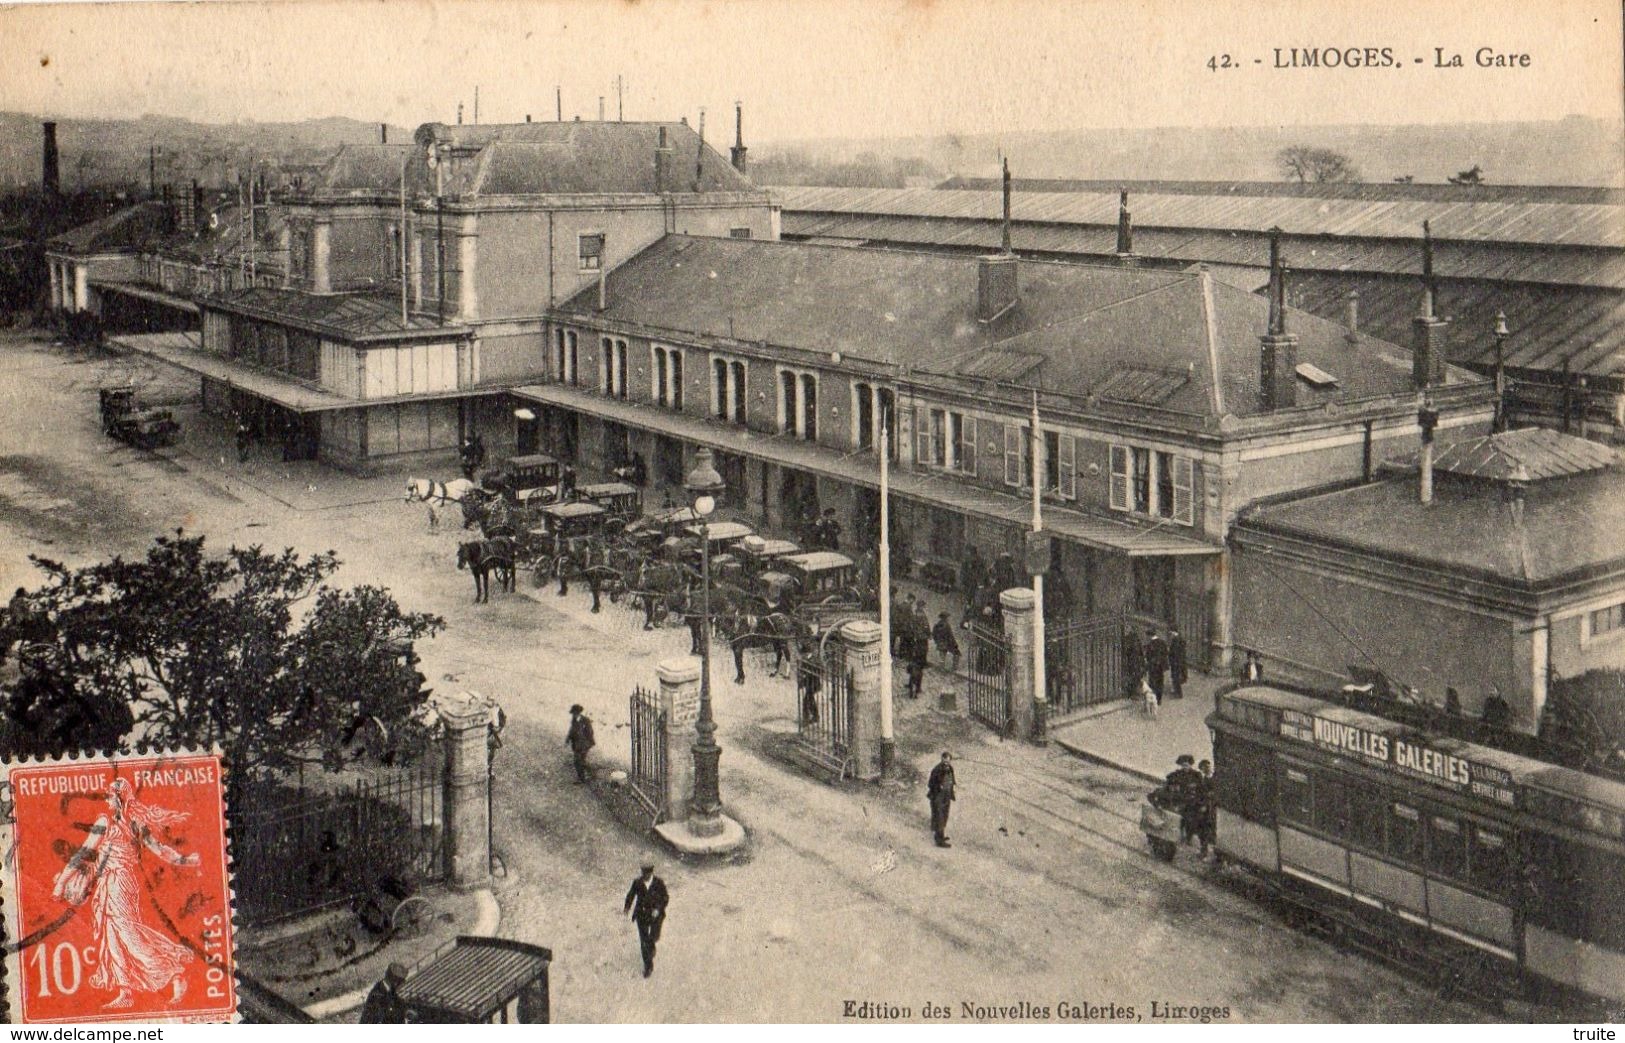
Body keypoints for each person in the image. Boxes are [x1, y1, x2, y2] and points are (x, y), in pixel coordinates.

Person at [50, 779, 201, 1009]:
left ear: (119, 799)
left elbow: (83, 853)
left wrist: (60, 884)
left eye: (110, 797)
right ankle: (125, 991)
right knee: (113, 937)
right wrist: (183, 860)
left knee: (129, 935)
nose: (108, 801)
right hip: (111, 883)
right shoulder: (129, 822)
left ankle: (173, 973)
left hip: (119, 883)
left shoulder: (116, 822)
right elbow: (159, 850)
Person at [624, 863, 669, 978]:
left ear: (651, 872)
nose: (645, 876)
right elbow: (631, 895)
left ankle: (652, 945)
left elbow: (665, 898)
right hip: (642, 914)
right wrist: (627, 907)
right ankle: (648, 966)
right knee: (644, 941)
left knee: (653, 937)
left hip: (655, 916)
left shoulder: (658, 883)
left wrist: (658, 909)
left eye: (647, 873)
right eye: (643, 873)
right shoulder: (637, 882)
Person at [1165, 754, 1203, 845]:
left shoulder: (1196, 775)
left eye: (1187, 765)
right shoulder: (1177, 774)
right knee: (1179, 819)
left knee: (1191, 820)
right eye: (1183, 765)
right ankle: (1181, 835)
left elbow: (1201, 789)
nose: (1185, 767)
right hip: (1180, 801)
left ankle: (1189, 837)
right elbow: (1168, 779)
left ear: (1190, 765)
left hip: (1192, 802)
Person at [927, 752, 956, 848]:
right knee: (940, 816)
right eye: (945, 761)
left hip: (946, 795)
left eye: (948, 761)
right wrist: (938, 789)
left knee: (944, 815)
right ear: (942, 759)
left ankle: (940, 835)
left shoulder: (950, 769)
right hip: (938, 796)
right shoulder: (936, 770)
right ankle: (939, 840)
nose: (946, 763)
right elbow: (930, 784)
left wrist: (951, 792)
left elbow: (951, 781)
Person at [566, 704, 595, 783]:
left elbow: (590, 732)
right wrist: (568, 739)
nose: (574, 715)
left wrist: (586, 743)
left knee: (577, 761)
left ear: (578, 712)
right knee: (579, 761)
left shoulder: (585, 720)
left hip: (584, 744)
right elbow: (572, 730)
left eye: (575, 713)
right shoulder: (574, 720)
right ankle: (586, 774)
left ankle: (582, 778)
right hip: (577, 744)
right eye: (573, 713)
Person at [1195, 759, 1217, 858]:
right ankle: (1203, 851)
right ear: (1202, 769)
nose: (1207, 768)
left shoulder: (1216, 778)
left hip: (1213, 808)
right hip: (1206, 809)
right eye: (1204, 767)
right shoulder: (1203, 781)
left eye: (1208, 766)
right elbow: (1201, 795)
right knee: (1203, 830)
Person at [960, 545, 988, 618]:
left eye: (968, 552)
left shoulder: (978, 561)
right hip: (971, 585)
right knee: (971, 601)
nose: (967, 554)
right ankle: (969, 617)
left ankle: (971, 617)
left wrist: (982, 582)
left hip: (975, 585)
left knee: (974, 601)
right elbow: (963, 573)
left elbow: (984, 573)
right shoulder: (967, 561)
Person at [1144, 628, 1168, 704]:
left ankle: (1153, 699)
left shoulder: (1150, 645)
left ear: (1149, 636)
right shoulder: (1162, 642)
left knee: (1152, 683)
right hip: (1160, 667)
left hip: (1153, 667)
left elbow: (1148, 656)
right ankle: (1159, 699)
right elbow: (1165, 653)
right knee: (1160, 682)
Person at [1123, 627, 1144, 700]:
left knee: (1133, 676)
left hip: (1133, 660)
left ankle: (1133, 693)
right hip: (1135, 660)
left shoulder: (1130, 639)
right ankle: (1133, 693)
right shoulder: (1134, 639)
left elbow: (1128, 650)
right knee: (1134, 676)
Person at [1169, 627, 1188, 700]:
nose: (1171, 635)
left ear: (1174, 632)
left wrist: (1171, 657)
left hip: (1176, 662)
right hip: (1180, 661)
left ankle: (1179, 694)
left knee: (1176, 677)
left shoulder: (1175, 640)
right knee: (1176, 677)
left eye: (1171, 633)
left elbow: (1174, 652)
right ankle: (1176, 692)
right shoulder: (1180, 638)